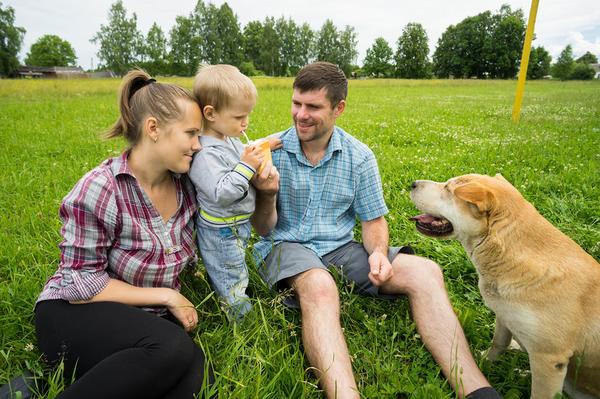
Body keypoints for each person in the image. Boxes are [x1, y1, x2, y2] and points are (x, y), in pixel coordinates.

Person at [250, 62, 501, 399]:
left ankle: (476, 389)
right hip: (286, 246)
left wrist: (380, 254)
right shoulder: (269, 151)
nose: (300, 115)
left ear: (339, 108)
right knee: (321, 287)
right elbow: (262, 229)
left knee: (425, 271)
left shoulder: (359, 157)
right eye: (297, 103)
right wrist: (266, 193)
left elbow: (372, 221)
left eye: (313, 107)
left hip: (340, 249)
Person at [34, 70, 214, 399]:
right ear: (153, 129)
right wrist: (168, 295)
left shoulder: (187, 184)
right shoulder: (103, 188)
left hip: (140, 322)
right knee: (172, 347)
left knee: (199, 375)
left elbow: (238, 218)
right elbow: (80, 283)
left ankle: (47, 387)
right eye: (190, 133)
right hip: (71, 313)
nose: (197, 145)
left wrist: (263, 188)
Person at [189, 64, 280, 323]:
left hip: (235, 224)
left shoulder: (227, 137)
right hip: (220, 230)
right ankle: (243, 322)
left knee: (233, 266)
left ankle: (223, 285)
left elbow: (241, 152)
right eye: (239, 117)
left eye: (248, 115)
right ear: (211, 113)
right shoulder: (206, 154)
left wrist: (263, 145)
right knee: (231, 277)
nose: (246, 123)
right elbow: (221, 193)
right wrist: (247, 167)